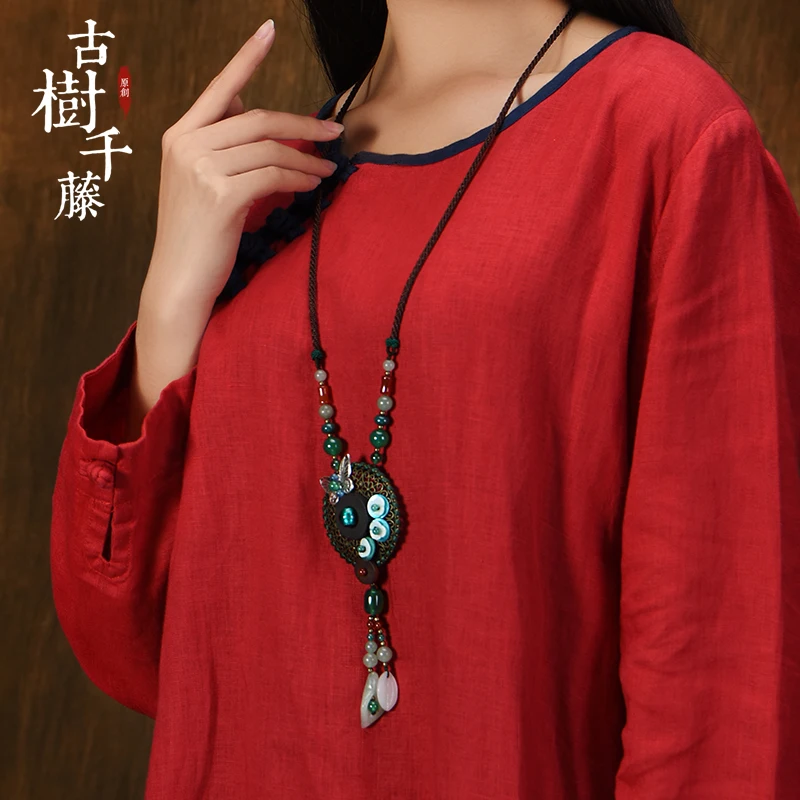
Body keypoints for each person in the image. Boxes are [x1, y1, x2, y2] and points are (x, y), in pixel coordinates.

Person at [50, 0, 800, 797]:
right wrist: (168, 309)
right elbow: (137, 652)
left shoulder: (666, 132)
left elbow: (721, 697)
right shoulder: (261, 186)